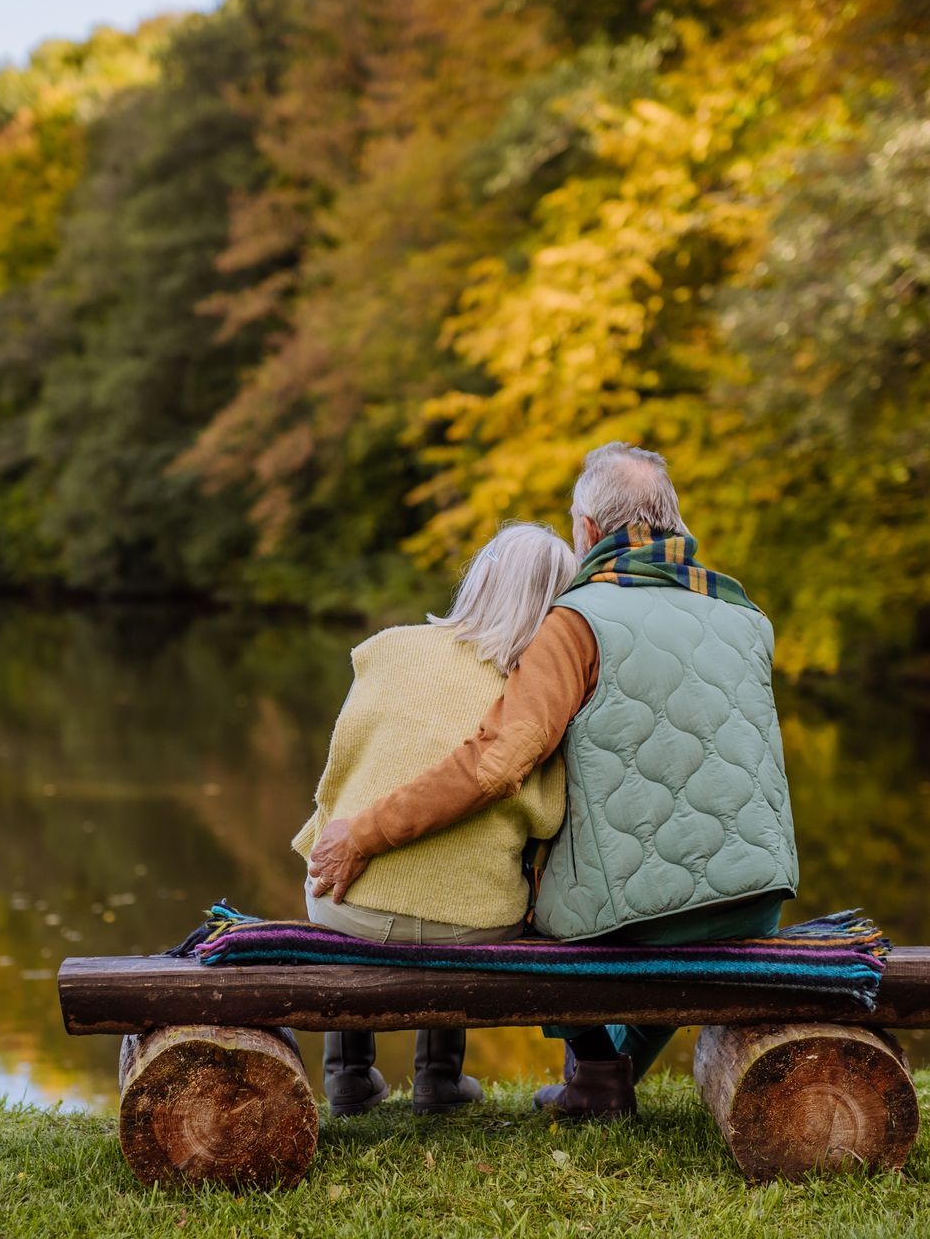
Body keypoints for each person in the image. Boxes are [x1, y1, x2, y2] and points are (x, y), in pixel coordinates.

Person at [310, 442, 798, 1120]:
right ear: (674, 522)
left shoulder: (577, 623)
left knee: (547, 901)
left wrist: (366, 832)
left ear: (591, 532)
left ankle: (597, 1074)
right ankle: (607, 1077)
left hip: (641, 918)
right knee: (671, 889)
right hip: (760, 899)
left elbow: (498, 763)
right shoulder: (747, 618)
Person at [292, 521, 577, 1116]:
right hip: (473, 930)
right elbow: (546, 819)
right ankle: (439, 1081)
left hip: (351, 908)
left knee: (332, 876)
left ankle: (348, 1075)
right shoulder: (534, 700)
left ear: (480, 578)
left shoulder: (389, 649)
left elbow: (339, 776)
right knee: (482, 877)